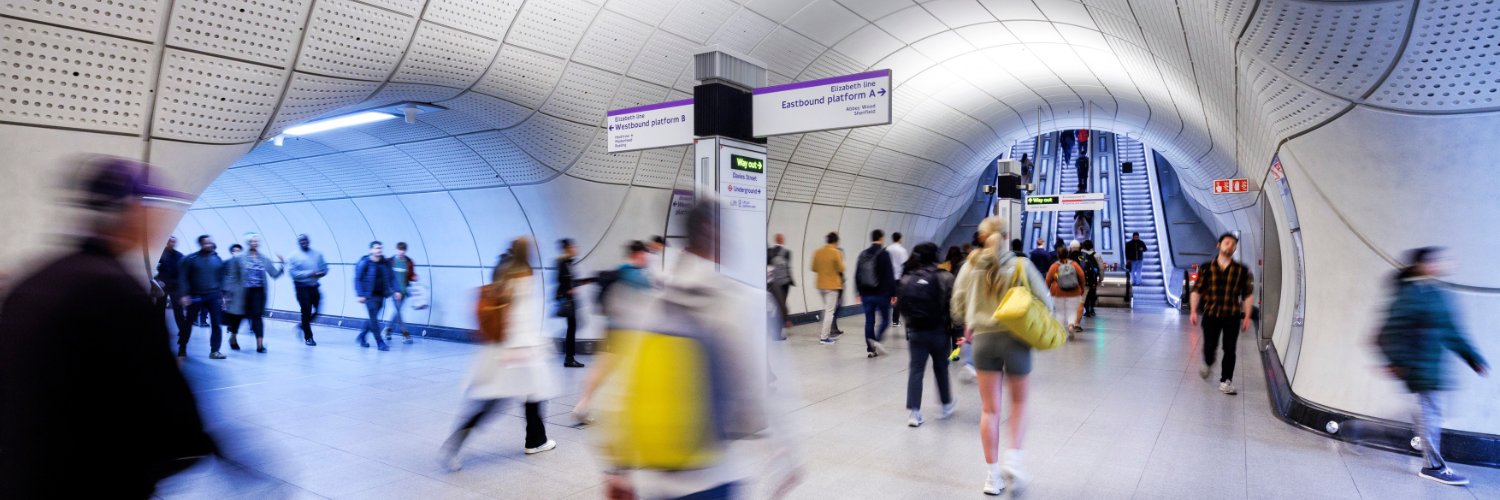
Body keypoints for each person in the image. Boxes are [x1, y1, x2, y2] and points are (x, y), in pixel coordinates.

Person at [0, 157, 215, 497]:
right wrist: (198, 442)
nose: (158, 219)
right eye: (150, 207)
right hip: (91, 476)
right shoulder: (115, 290)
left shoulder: (38, 277)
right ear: (128, 211)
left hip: (25, 470)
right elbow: (162, 396)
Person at [597, 199, 802, 500]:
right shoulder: (734, 301)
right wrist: (787, 453)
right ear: (712, 231)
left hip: (656, 477)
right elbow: (757, 388)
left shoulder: (652, 300)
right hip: (712, 476)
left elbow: (623, 387)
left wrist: (616, 467)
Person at [951, 217, 1050, 496]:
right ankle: (1014, 460)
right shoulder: (1021, 265)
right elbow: (1047, 302)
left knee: (989, 410)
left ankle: (992, 477)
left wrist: (972, 321)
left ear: (982, 237)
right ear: (1007, 237)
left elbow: (957, 307)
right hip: (1016, 340)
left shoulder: (970, 266)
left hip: (982, 341)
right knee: (1018, 404)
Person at [441, 237, 558, 471]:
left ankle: (536, 440)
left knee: (520, 396)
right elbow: (522, 317)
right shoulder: (524, 276)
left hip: (498, 349)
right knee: (507, 399)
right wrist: (535, 344)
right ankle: (454, 446)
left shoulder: (502, 270)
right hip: (518, 351)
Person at [1374, 247, 1489, 486]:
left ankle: (1364, 431)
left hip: (1433, 366)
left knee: (1426, 413)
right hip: (1418, 366)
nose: (1440, 264)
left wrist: (1473, 358)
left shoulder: (1437, 294)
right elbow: (1390, 331)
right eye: (1434, 261)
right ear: (1421, 265)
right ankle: (1432, 466)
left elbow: (1452, 332)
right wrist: (1397, 361)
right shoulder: (1409, 294)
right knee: (1430, 413)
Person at [1190, 233, 1255, 395]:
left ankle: (1226, 381)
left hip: (1231, 316)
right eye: (1227, 243)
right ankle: (1208, 362)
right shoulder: (1206, 268)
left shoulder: (1242, 270)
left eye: (1233, 244)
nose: (1230, 246)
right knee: (1210, 346)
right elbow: (1197, 290)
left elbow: (1247, 293)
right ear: (1219, 245)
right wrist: (1192, 310)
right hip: (1211, 314)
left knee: (1230, 349)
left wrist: (1247, 315)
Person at [899, 243, 956, 427]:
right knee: (941, 367)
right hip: (939, 331)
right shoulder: (946, 278)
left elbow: (901, 306)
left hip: (916, 332)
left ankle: (914, 413)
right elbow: (953, 307)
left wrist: (911, 323)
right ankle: (945, 405)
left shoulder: (907, 279)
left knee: (916, 370)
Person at [223, 235, 282, 354]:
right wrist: (227, 293)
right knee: (238, 317)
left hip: (258, 293)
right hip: (242, 292)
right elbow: (232, 276)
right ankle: (233, 337)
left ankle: (259, 345)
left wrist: (282, 264)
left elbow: (274, 274)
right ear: (248, 243)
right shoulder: (239, 258)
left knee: (257, 318)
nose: (254, 243)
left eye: (256, 241)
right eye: (252, 241)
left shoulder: (264, 258)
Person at [178, 235, 227, 359]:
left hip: (213, 295)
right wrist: (184, 294)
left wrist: (223, 295)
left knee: (216, 323)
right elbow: (183, 278)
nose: (209, 245)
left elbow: (221, 277)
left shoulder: (217, 259)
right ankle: (182, 346)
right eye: (206, 243)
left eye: (210, 243)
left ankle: (215, 350)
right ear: (200, 244)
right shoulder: (191, 259)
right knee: (189, 322)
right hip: (196, 295)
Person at [855, 230, 897, 358]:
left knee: (869, 321)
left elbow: (857, 275)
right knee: (885, 320)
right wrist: (894, 293)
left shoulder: (863, 254)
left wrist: (859, 292)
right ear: (882, 238)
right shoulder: (884, 254)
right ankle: (877, 341)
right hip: (882, 294)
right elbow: (890, 275)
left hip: (866, 294)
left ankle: (871, 349)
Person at [354, 241, 398, 352]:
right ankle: (380, 342)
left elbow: (392, 277)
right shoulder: (365, 262)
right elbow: (357, 279)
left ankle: (362, 336)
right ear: (371, 250)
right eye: (377, 248)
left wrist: (397, 290)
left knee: (372, 319)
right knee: (374, 319)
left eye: (380, 248)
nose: (379, 250)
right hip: (368, 296)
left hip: (381, 295)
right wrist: (360, 294)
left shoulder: (385, 263)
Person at [287, 234, 328, 346]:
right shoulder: (293, 256)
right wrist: (309, 273)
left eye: (305, 240)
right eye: (301, 241)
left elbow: (325, 267)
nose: (304, 242)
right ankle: (308, 337)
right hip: (301, 287)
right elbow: (292, 273)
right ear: (298, 242)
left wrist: (323, 272)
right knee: (306, 311)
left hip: (314, 286)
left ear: (308, 241)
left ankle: (301, 326)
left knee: (318, 310)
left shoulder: (317, 254)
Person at [812, 232, 845, 345]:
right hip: (832, 286)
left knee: (827, 310)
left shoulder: (818, 252)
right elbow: (841, 268)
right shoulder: (836, 252)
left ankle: (825, 333)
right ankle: (824, 337)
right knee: (830, 311)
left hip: (820, 285)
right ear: (836, 241)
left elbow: (814, 268)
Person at [1046, 247, 1087, 338]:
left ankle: (1060, 330)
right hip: (1074, 292)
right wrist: (1082, 287)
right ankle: (1071, 325)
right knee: (1072, 311)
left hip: (1058, 292)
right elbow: (1082, 276)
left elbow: (1048, 280)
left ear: (1058, 255)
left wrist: (1048, 289)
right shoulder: (1074, 264)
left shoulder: (1054, 266)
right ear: (1068, 254)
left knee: (1060, 312)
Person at [556, 238, 584, 368]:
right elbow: (561, 281)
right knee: (571, 329)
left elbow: (570, 281)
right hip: (568, 300)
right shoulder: (563, 263)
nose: (575, 249)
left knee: (572, 328)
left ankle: (570, 357)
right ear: (568, 248)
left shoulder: (568, 263)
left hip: (570, 300)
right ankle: (569, 358)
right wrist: (569, 290)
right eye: (573, 247)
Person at [386, 242, 418, 344]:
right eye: (399, 250)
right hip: (394, 291)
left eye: (403, 250)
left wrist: (413, 277)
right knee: (399, 311)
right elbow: (388, 277)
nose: (401, 252)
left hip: (404, 291)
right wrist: (394, 291)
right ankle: (405, 333)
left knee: (397, 311)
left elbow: (411, 275)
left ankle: (388, 330)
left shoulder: (409, 262)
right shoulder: (391, 261)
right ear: (396, 250)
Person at [156, 236, 186, 331]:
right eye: (170, 242)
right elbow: (155, 269)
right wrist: (159, 281)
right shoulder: (160, 254)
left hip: (175, 287)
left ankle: (182, 329)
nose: (172, 243)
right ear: (167, 242)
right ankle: (158, 327)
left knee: (178, 309)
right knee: (160, 307)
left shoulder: (180, 256)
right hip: (163, 286)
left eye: (173, 242)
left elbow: (183, 271)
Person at [768, 233, 795, 335]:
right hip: (784, 283)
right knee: (781, 306)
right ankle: (778, 331)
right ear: (782, 240)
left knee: (773, 306)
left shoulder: (770, 251)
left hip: (772, 282)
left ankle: (772, 328)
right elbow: (788, 268)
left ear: (775, 240)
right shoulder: (787, 252)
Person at [220, 244, 244, 345]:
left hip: (240, 291)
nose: (237, 252)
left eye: (239, 251)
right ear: (232, 252)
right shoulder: (226, 263)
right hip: (229, 290)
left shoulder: (244, 263)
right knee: (229, 309)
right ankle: (231, 327)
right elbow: (223, 276)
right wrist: (224, 292)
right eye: (235, 251)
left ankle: (232, 328)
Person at [887, 232, 909, 327]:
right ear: (900, 239)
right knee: (897, 300)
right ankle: (895, 321)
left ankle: (884, 318)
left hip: (888, 278)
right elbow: (905, 265)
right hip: (898, 278)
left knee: (886, 298)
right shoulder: (902, 250)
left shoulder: (887, 249)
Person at [1078, 240, 1103, 318]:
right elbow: (1101, 268)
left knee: (1084, 294)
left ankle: (1086, 310)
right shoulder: (1096, 255)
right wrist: (1101, 278)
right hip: (1093, 278)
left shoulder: (1079, 255)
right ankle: (1092, 309)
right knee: (1092, 293)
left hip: (1082, 278)